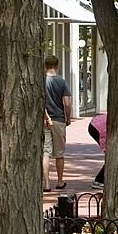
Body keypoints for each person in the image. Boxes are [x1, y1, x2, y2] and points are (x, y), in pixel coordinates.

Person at [43, 55, 72, 192]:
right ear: (57, 65)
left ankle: (46, 183)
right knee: (59, 153)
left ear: (45, 66)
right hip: (58, 119)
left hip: (43, 120)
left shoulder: (41, 81)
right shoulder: (62, 82)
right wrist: (68, 117)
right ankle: (60, 181)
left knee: (45, 152)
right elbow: (67, 102)